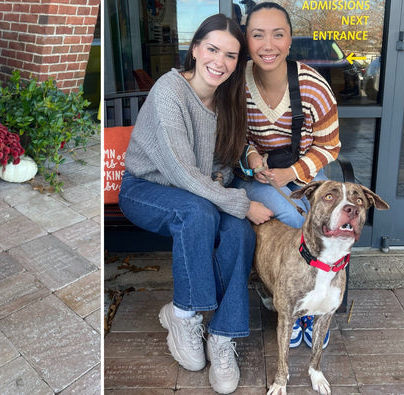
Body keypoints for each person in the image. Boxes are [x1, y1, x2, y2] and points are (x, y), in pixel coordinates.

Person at [118, 13, 273, 394]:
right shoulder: (170, 91)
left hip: (202, 192)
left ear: (239, 62)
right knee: (201, 211)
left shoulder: (227, 99)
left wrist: (250, 156)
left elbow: (233, 149)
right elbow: (183, 173)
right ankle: (185, 315)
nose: (220, 62)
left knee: (238, 232)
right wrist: (241, 203)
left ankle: (222, 334)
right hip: (147, 189)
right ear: (195, 49)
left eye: (231, 56)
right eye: (212, 49)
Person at [234, 2, 341, 350]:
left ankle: (315, 305)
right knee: (297, 219)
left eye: (278, 34)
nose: (268, 45)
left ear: (290, 40)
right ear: (246, 40)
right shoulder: (237, 84)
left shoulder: (313, 86)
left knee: (324, 219)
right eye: (257, 35)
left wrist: (292, 173)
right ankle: (292, 304)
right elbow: (232, 137)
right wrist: (251, 155)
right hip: (257, 175)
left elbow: (330, 145)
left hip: (304, 169)